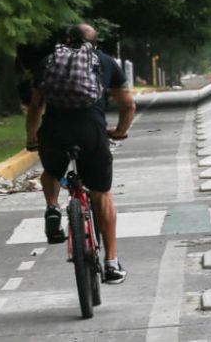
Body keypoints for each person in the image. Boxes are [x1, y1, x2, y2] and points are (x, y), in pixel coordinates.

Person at [25, 23, 136, 284]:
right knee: (102, 195)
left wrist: (32, 138)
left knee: (51, 171)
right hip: (91, 132)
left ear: (66, 40)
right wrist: (119, 130)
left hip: (54, 132)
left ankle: (52, 207)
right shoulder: (105, 61)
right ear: (94, 43)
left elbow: (35, 107)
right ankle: (111, 263)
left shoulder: (49, 61)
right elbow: (128, 105)